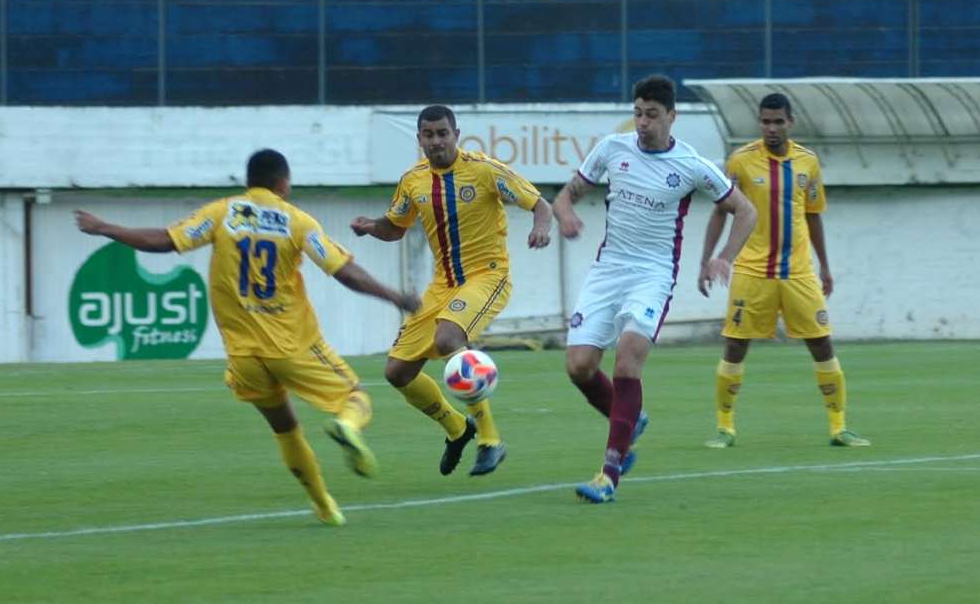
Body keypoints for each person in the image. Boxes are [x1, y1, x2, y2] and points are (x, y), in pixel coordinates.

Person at [75, 148, 420, 527]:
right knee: (355, 396)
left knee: (284, 428)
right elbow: (344, 271)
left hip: (244, 357)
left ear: (248, 181)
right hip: (293, 346)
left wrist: (105, 227)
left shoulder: (221, 213)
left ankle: (324, 505)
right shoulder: (297, 221)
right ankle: (347, 427)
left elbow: (165, 240)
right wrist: (395, 297)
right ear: (283, 183)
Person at [553, 74, 757, 504]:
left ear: (671, 117)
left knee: (627, 359)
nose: (642, 123)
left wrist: (724, 257)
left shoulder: (691, 165)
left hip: (653, 275)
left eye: (651, 115)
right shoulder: (613, 149)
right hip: (608, 271)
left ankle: (609, 473)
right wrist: (566, 214)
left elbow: (745, 211)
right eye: (637, 114)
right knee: (579, 367)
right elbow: (565, 196)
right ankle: (631, 419)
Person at [351, 104, 553, 477]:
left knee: (448, 339)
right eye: (429, 135)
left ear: (456, 135)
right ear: (419, 139)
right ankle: (458, 429)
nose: (436, 141)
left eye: (443, 133)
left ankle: (490, 440)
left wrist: (541, 227)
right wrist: (370, 226)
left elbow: (540, 205)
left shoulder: (484, 170)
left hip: (487, 277)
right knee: (397, 372)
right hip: (442, 286)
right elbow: (395, 228)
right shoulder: (413, 180)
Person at [698, 93, 870, 449]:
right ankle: (725, 428)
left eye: (778, 121)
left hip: (798, 272)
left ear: (790, 122)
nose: (771, 128)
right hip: (752, 270)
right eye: (765, 121)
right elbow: (719, 212)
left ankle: (839, 426)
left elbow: (813, 215)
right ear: (759, 123)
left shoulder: (808, 162)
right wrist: (707, 261)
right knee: (735, 345)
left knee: (821, 342)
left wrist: (825, 266)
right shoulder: (740, 161)